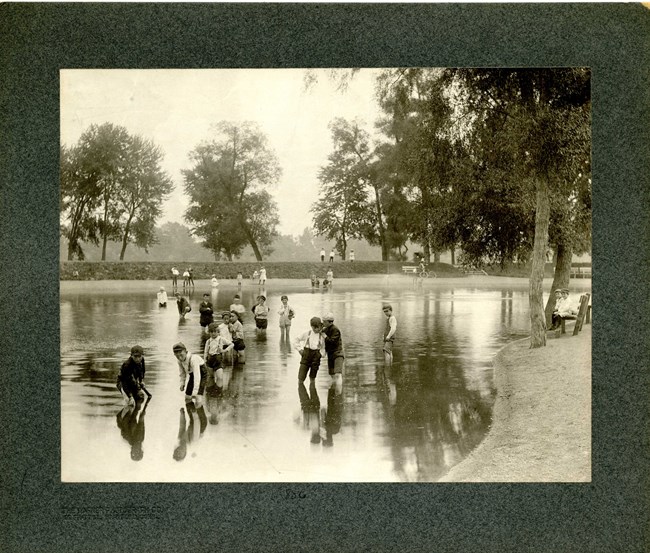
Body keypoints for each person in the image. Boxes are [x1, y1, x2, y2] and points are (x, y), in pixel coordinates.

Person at [293, 316, 326, 383]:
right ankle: (301, 390)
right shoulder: (307, 333)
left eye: (317, 328)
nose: (316, 329)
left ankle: (312, 390)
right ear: (311, 327)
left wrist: (321, 355)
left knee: (312, 377)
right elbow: (296, 340)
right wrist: (299, 349)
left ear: (320, 326)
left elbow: (324, 348)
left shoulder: (322, 336)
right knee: (301, 377)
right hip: (306, 356)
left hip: (316, 358)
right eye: (314, 328)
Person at [321, 312, 344, 388]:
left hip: (338, 354)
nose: (323, 323)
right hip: (330, 354)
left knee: (338, 373)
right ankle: (334, 390)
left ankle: (338, 391)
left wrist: (325, 336)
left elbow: (332, 342)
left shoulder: (335, 329)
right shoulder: (326, 330)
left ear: (329, 322)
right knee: (331, 374)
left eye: (324, 321)